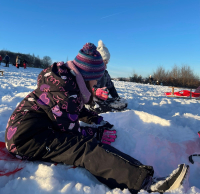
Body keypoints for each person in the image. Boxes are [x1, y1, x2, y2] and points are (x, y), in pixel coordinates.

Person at [5, 43, 189, 194]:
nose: (95, 84)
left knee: (82, 140)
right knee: (84, 149)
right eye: (94, 79)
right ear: (86, 76)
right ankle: (145, 182)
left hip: (26, 130)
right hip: (28, 139)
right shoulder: (65, 91)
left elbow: (71, 109)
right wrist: (95, 133)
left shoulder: (62, 81)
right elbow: (71, 131)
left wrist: (95, 118)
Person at [88, 40, 128, 113]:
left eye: (107, 62)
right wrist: (95, 92)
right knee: (96, 108)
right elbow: (84, 89)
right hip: (90, 100)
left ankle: (106, 108)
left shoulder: (105, 73)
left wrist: (116, 98)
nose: (105, 66)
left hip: (102, 100)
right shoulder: (89, 72)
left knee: (123, 103)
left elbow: (111, 87)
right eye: (104, 62)